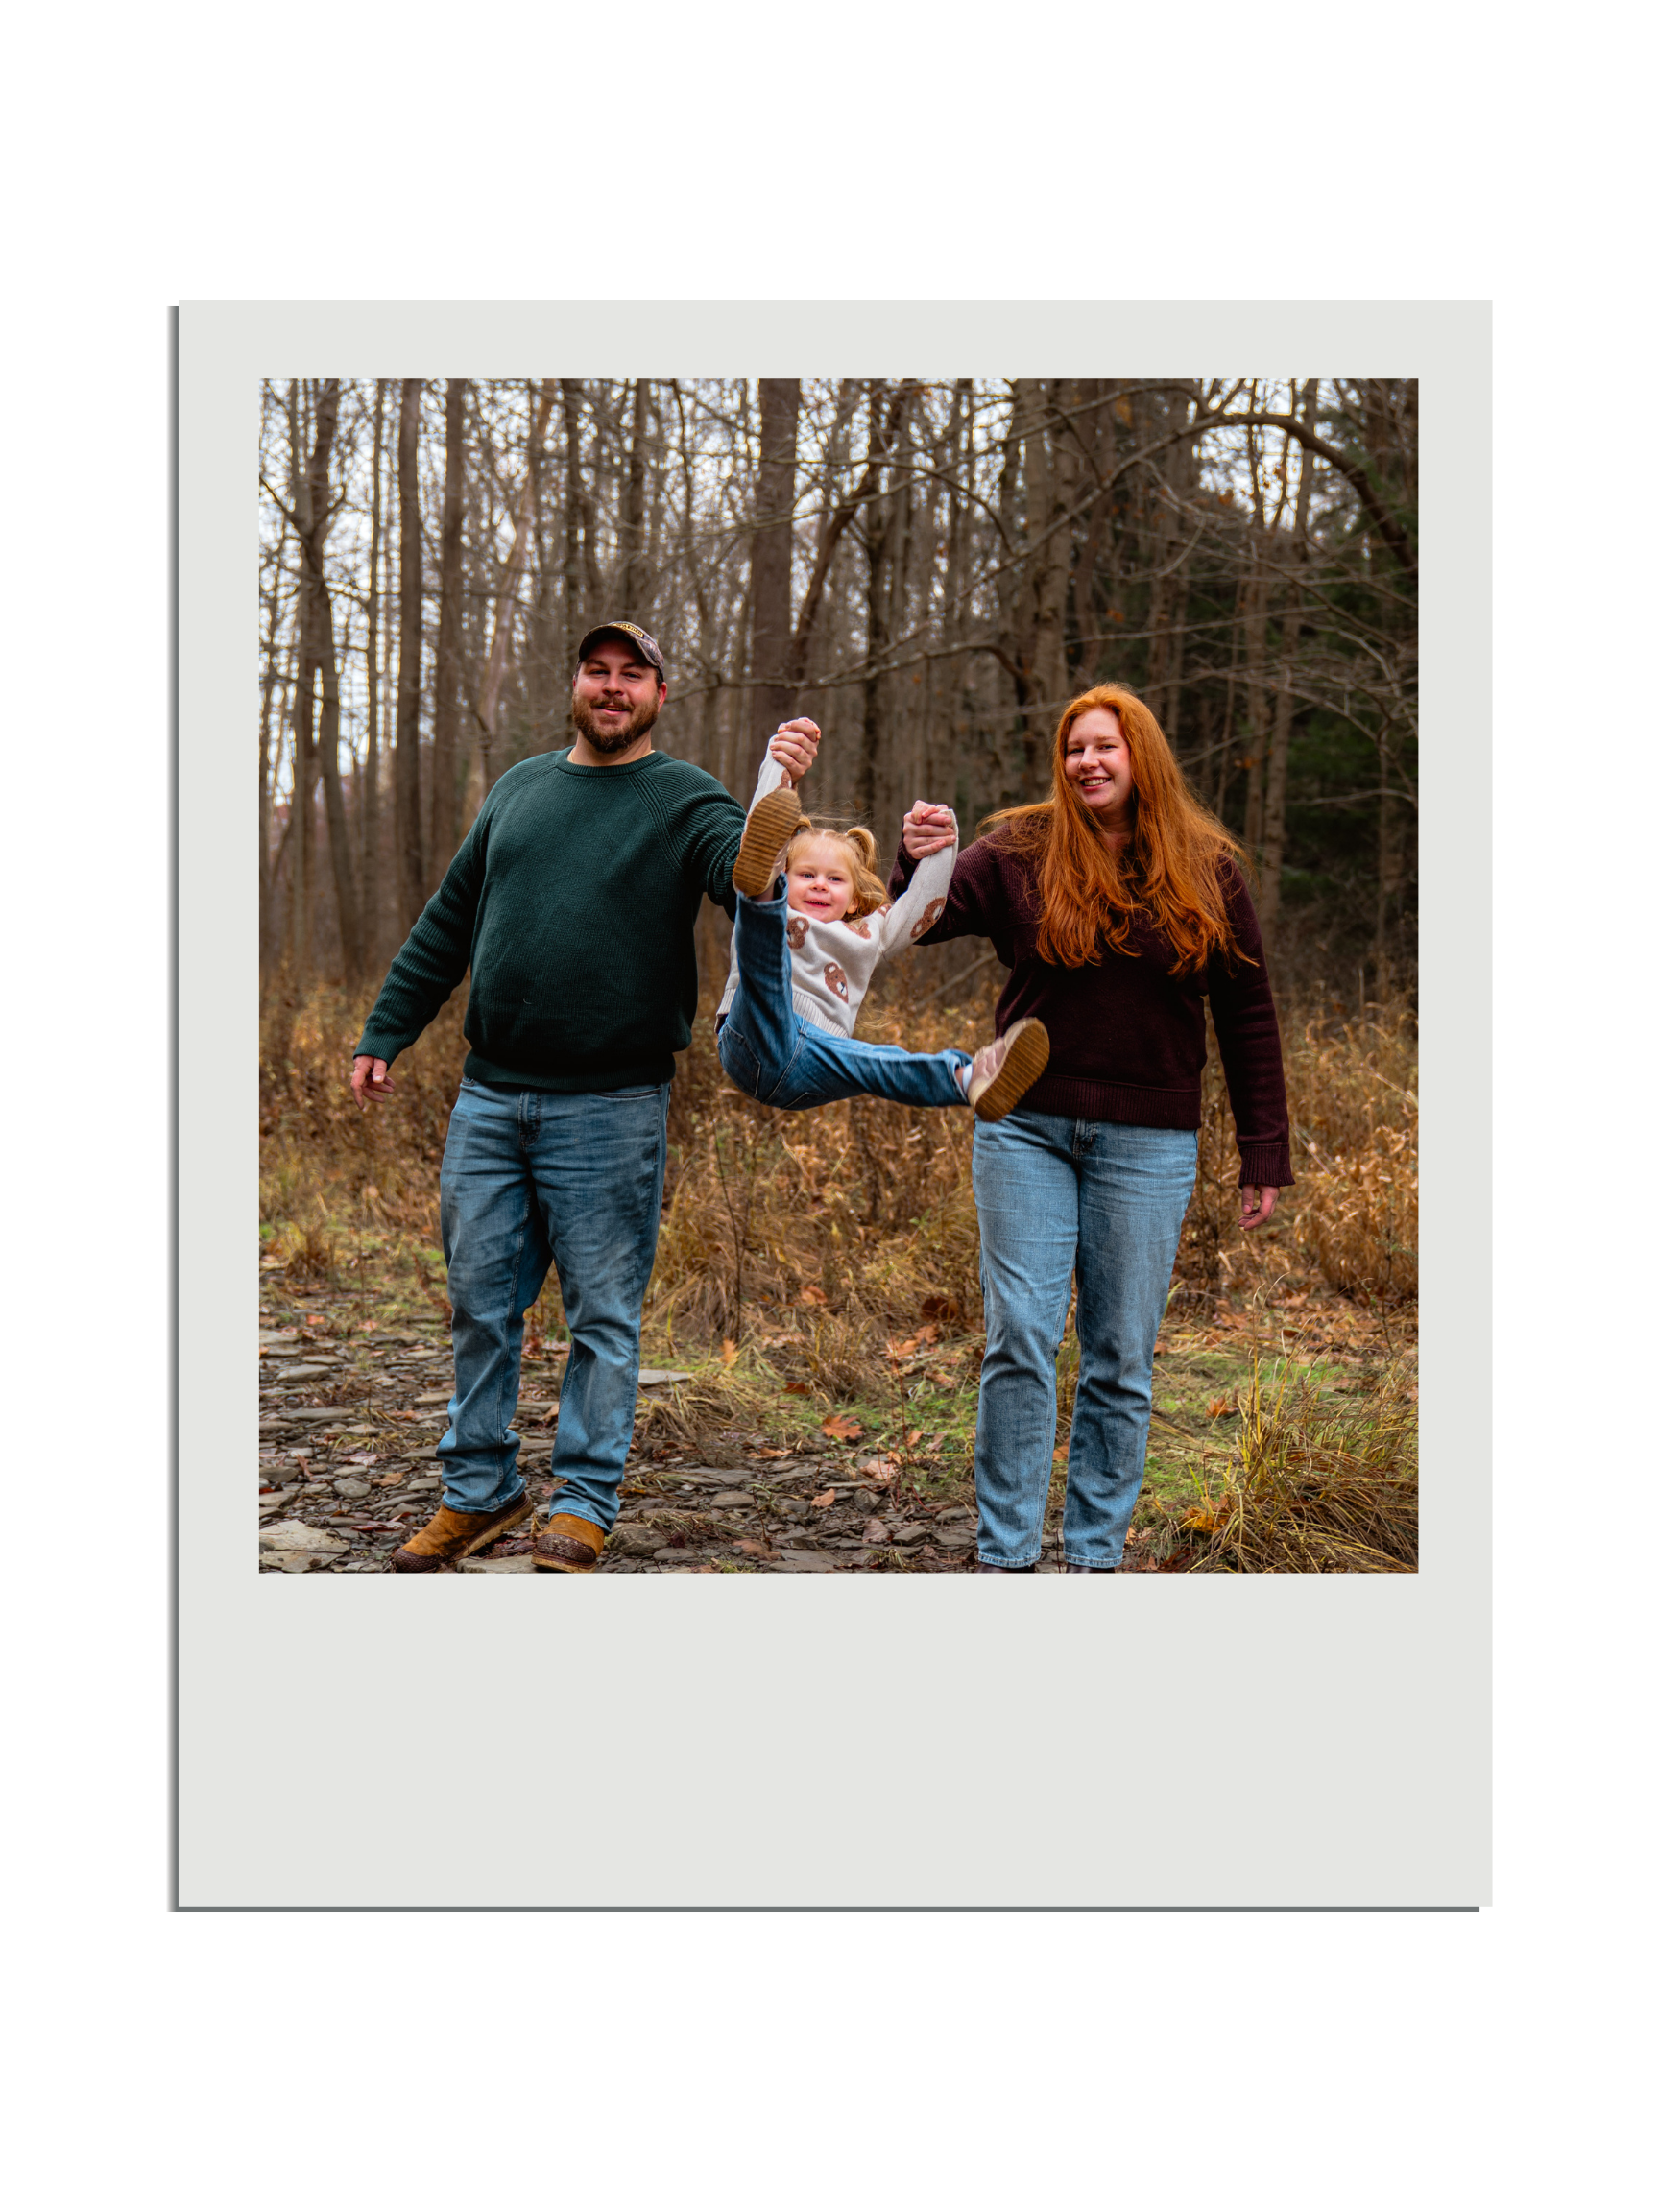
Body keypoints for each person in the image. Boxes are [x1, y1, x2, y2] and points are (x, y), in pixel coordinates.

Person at [350, 621, 820, 1575]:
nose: (612, 689)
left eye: (631, 676)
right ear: (576, 684)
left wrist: (777, 793)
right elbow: (449, 921)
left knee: (602, 1315)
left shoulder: (683, 798)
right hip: (488, 1098)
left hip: (609, 1105)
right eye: (598, 672)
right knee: (480, 1305)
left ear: (659, 693)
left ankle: (585, 1503)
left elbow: (749, 873)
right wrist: (386, 1029)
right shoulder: (520, 788)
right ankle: (477, 1494)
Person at [890, 682, 1294, 1575]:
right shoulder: (1020, 849)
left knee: (1118, 1356)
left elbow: (1249, 1013)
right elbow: (921, 921)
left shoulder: (1206, 865)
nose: (1088, 763)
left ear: (1140, 755)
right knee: (1021, 1337)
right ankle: (1005, 1557)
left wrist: (1264, 1149)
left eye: (1106, 746)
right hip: (1023, 1126)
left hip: (1150, 1142)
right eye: (1075, 749)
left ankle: (1094, 1558)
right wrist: (919, 858)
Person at [715, 754, 1049, 1119]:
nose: (820, 886)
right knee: (761, 935)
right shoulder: (784, 909)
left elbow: (922, 910)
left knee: (877, 1061)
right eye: (806, 875)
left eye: (835, 879)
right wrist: (782, 762)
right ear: (787, 875)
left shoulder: (868, 932)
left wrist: (942, 842)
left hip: (816, 1056)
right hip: (751, 1032)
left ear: (855, 898)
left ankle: (968, 1078)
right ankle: (761, 887)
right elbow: (759, 837)